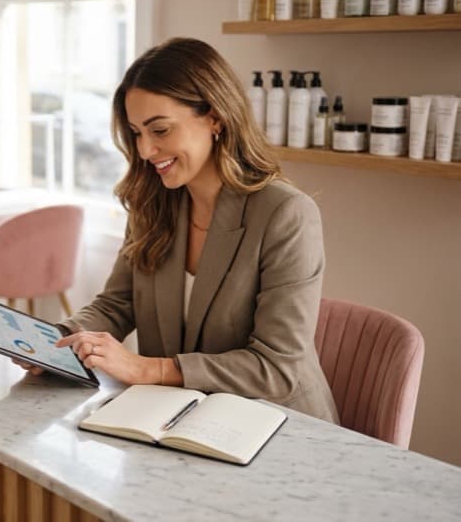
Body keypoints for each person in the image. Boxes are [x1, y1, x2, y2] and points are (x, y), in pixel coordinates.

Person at [18, 37, 339, 424]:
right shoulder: (152, 204)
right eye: (136, 132)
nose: (145, 151)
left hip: (277, 427)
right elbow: (118, 304)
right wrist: (58, 341)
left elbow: (275, 369)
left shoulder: (286, 214)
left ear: (215, 118)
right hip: (177, 420)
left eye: (160, 130)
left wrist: (146, 369)